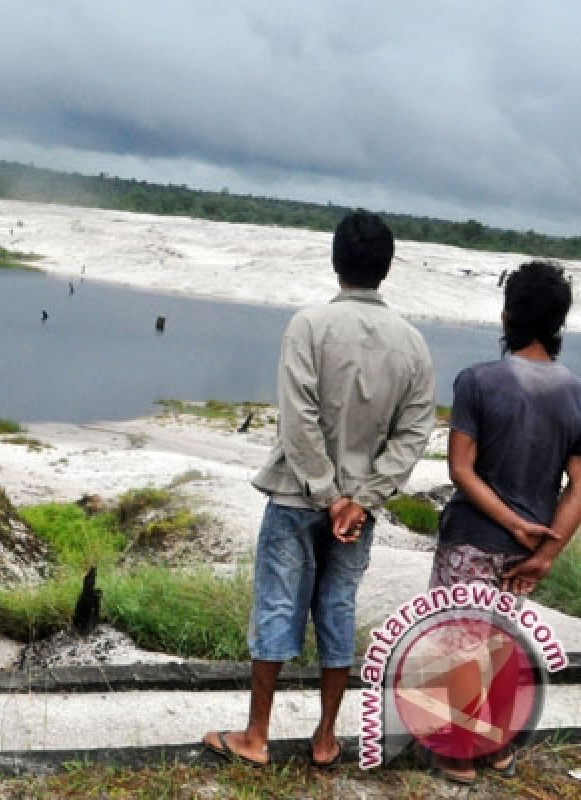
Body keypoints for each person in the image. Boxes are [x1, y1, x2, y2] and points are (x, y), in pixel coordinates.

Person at [202, 210, 436, 768]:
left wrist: (327, 493)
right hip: (357, 509)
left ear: (336, 264)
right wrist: (362, 497)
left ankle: (256, 736)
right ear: (387, 267)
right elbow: (413, 433)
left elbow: (298, 416)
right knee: (337, 608)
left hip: (296, 496)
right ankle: (327, 739)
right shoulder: (414, 344)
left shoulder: (308, 325)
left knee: (278, 606)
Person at [424, 260, 581, 784]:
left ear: (508, 314)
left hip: (473, 537)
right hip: (525, 550)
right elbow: (579, 485)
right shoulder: (574, 392)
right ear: (559, 322)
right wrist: (545, 551)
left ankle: (458, 755)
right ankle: (496, 748)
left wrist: (511, 523)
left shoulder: (477, 381)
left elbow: (460, 469)